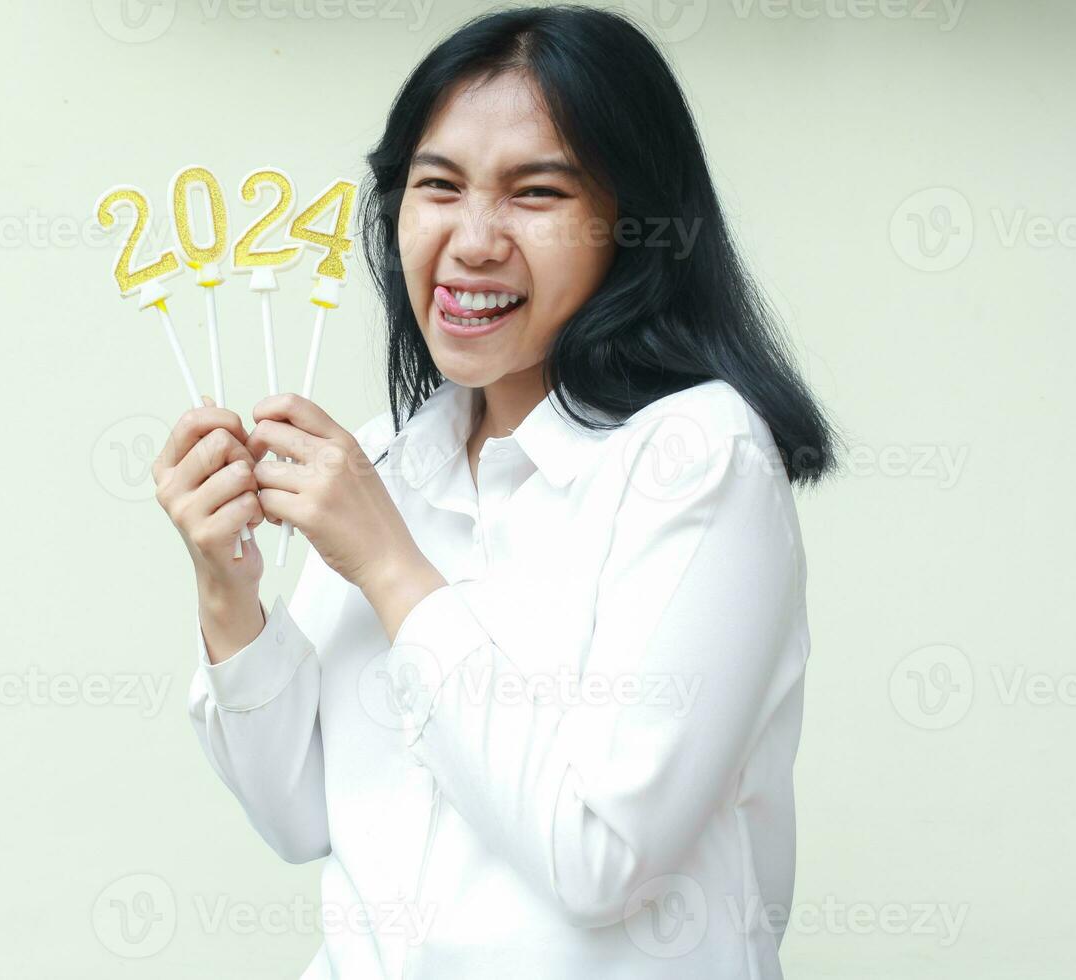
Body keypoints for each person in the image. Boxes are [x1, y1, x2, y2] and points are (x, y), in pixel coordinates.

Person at [152, 6, 839, 977]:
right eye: (438, 186)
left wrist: (391, 565)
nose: (473, 239)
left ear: (630, 225)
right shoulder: (390, 458)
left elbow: (602, 857)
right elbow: (300, 814)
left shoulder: (697, 456)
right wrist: (227, 590)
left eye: (537, 192)